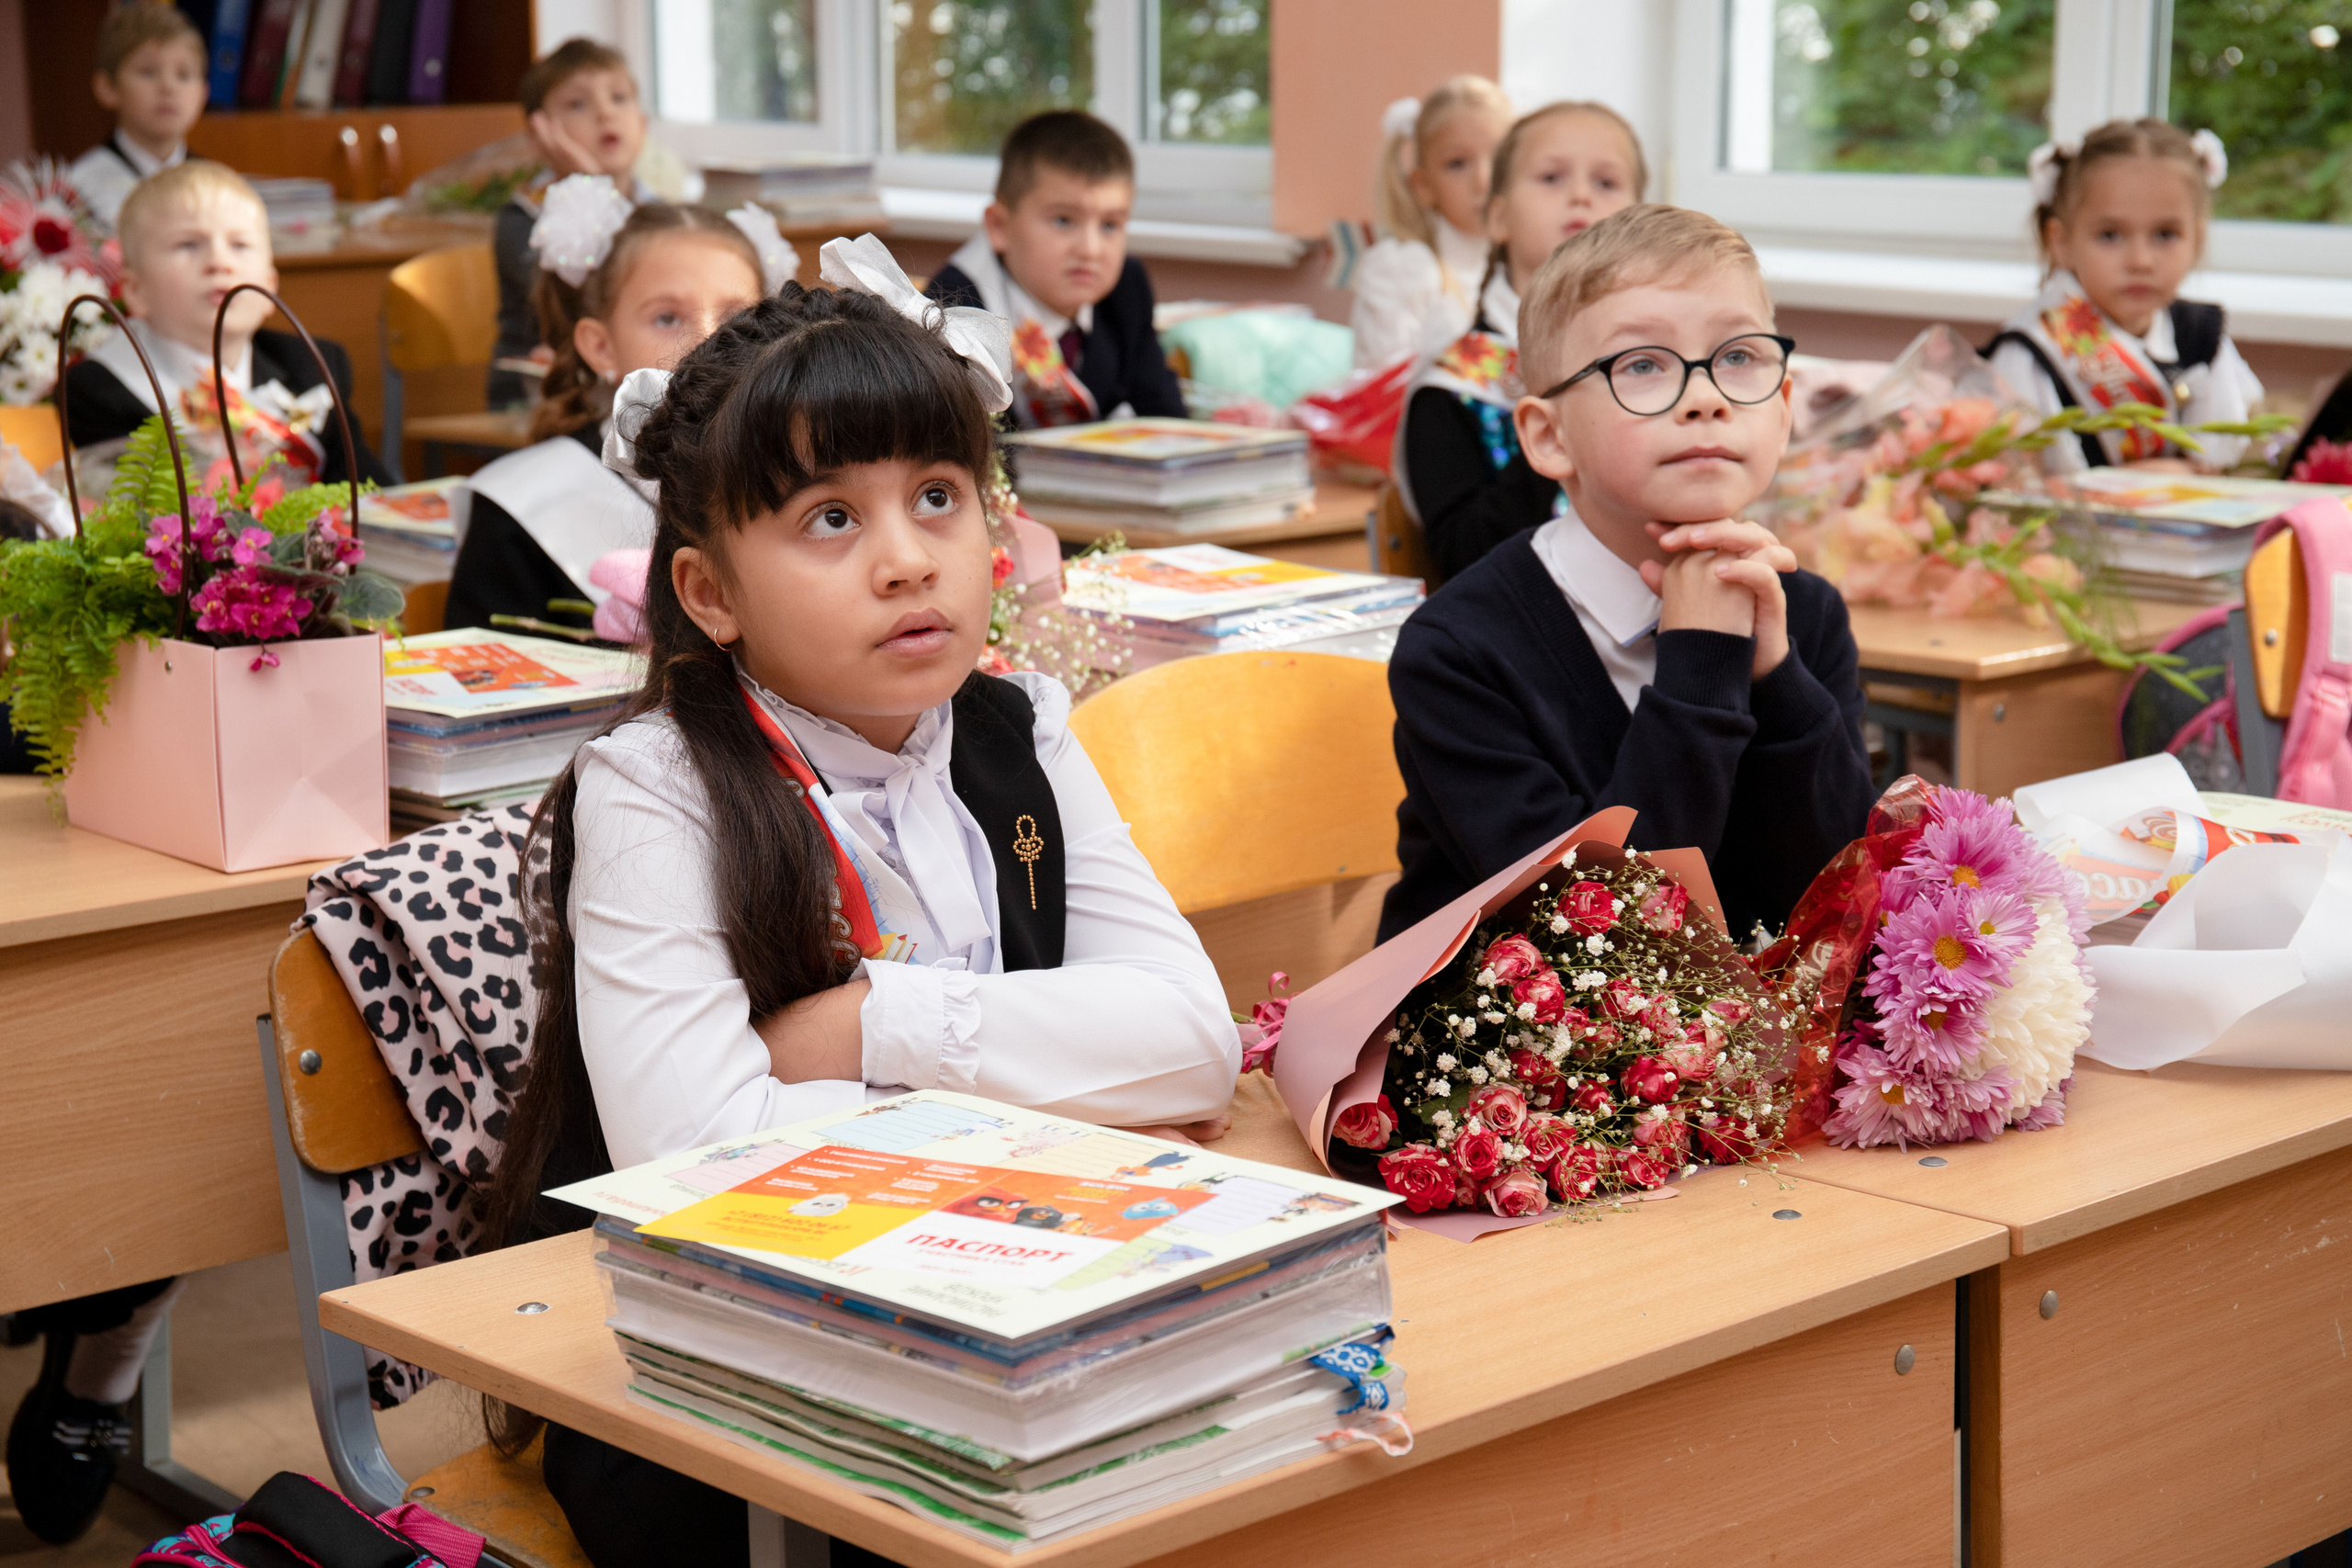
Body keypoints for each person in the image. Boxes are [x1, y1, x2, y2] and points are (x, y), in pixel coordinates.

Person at [481, 237, 1238, 1568]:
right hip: (715, 1394)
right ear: (707, 592)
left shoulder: (1022, 725)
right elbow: (701, 1166)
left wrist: (862, 1026)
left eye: (940, 495)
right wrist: (1049, 1064)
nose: (909, 560)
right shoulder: (654, 789)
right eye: (832, 517)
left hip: (1012, 1314)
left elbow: (1191, 1034)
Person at [1381, 205, 1875, 946]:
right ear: (1549, 438)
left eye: (1738, 357)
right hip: (1506, 1042)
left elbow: (1839, 904)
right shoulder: (1458, 650)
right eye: (1642, 365)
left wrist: (1777, 679)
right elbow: (1598, 941)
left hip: (1740, 1037)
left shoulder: (1803, 612)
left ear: (1781, 409)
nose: (1706, 397)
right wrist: (1702, 661)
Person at [446, 180, 786, 637]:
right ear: (601, 347)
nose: (708, 340)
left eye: (734, 317)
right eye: (667, 318)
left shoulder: (801, 473)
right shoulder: (518, 513)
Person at [1395, 100, 1645, 584]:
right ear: (1498, 218)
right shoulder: (1451, 389)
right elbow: (1466, 563)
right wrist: (1566, 401)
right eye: (1551, 177)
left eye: (1606, 182)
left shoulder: (1669, 368)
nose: (1580, 196)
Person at [62, 161, 391, 490]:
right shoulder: (100, 389)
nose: (220, 262)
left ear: (269, 285)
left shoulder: (313, 364)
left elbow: (370, 494)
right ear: (136, 291)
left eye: (240, 245)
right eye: (188, 244)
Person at [1988, 118, 2261, 473]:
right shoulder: (2029, 354)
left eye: (2165, 234)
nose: (2140, 261)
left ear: (2197, 239)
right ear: (2061, 242)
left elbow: (2215, 459)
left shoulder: (2202, 337)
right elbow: (2020, 486)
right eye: (2110, 235)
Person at [924, 111, 1185, 428]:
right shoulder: (952, 308)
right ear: (999, 227)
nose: (1090, 250)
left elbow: (1164, 415)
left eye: (1110, 225)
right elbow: (971, 452)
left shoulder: (1127, 288)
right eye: (1063, 220)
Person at [489, 39, 653, 409]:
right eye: (578, 104)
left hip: (628, 390)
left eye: (619, 97)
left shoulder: (658, 209)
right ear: (540, 133)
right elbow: (594, 293)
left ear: (643, 124)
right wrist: (592, 184)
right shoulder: (523, 219)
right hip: (539, 399)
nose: (605, 114)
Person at [1350, 78, 1513, 370]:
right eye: (1458, 164)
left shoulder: (1521, 267)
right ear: (1423, 186)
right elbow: (1388, 388)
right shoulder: (1406, 269)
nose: (1484, 181)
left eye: (1499, 159)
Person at [66, 2, 204, 231]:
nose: (168, 87)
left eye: (184, 75)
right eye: (148, 72)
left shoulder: (216, 182)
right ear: (108, 88)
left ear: (203, 93)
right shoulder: (79, 189)